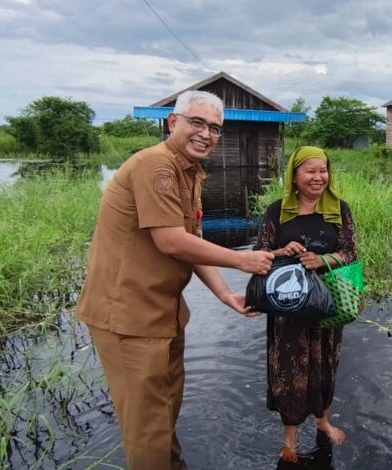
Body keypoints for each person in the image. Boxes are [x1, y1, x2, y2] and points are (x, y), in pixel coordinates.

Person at [75, 90, 274, 470]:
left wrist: (225, 294)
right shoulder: (156, 165)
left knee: (164, 413)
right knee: (147, 428)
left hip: (162, 312)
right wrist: (241, 260)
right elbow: (170, 241)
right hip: (129, 316)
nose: (206, 134)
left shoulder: (189, 172)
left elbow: (190, 241)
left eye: (214, 128)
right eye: (197, 123)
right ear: (173, 122)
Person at [253, 146, 358, 463]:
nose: (318, 177)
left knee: (325, 364)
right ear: (294, 176)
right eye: (310, 171)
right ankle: (290, 438)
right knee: (289, 370)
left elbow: (350, 252)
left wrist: (323, 259)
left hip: (328, 303)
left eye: (323, 171)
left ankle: (323, 421)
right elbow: (259, 254)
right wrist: (282, 251)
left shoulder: (339, 209)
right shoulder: (277, 211)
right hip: (287, 307)